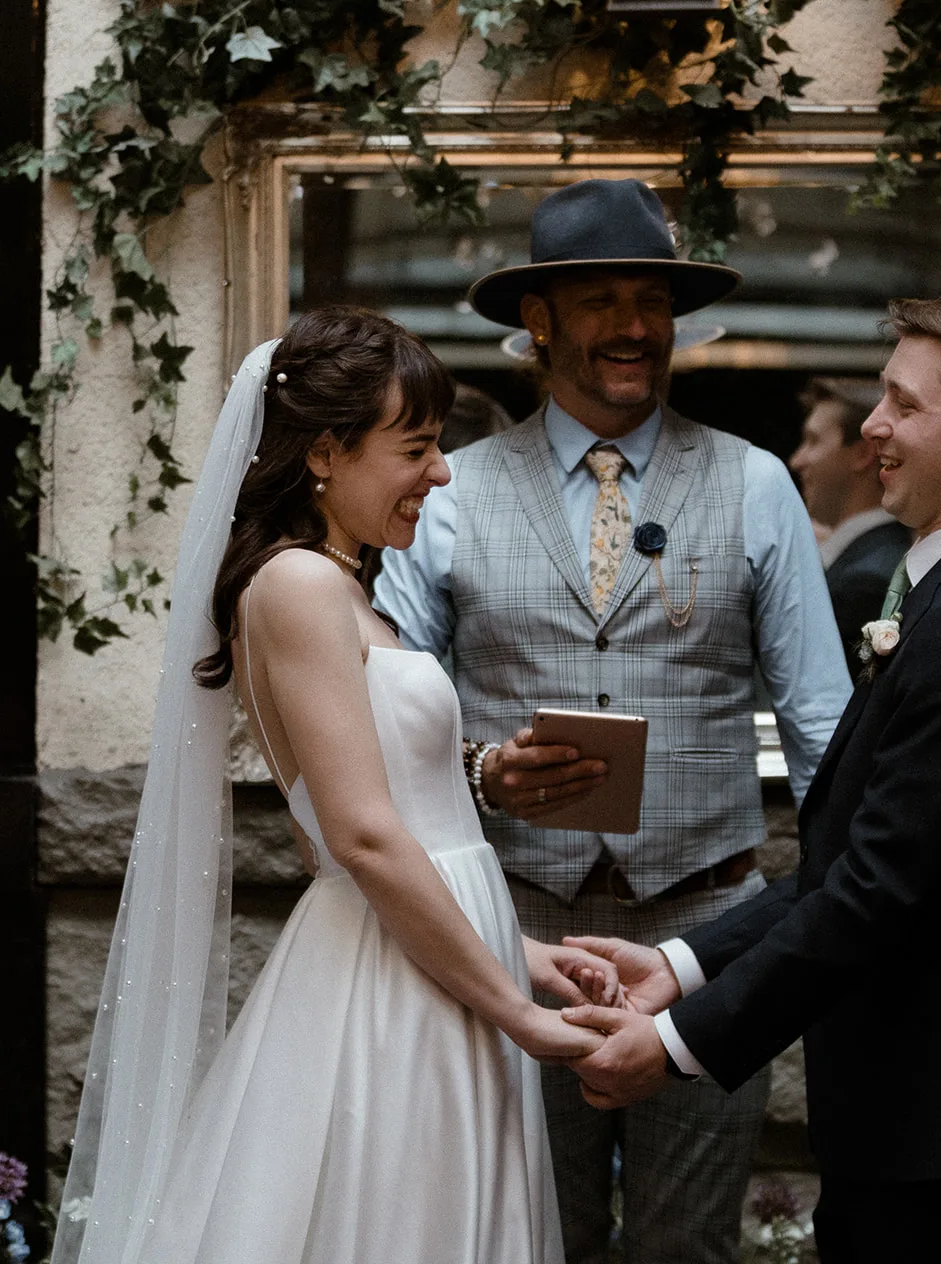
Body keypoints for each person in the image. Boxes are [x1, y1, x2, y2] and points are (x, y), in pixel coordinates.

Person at [50, 306, 624, 1264]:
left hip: (434, 963)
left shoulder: (342, 586)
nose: (439, 474)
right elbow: (355, 838)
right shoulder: (300, 587)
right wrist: (517, 1011)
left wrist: (521, 953)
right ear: (324, 451)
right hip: (389, 994)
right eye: (417, 448)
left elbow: (405, 823)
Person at [375, 179, 853, 1264]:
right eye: (602, 301)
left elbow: (826, 728)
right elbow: (387, 718)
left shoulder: (757, 484)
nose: (635, 327)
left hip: (707, 938)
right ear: (538, 321)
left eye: (653, 300)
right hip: (514, 934)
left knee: (690, 1249)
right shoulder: (449, 491)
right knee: (523, 1237)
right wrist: (483, 768)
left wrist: (830, 927)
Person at [561, 297, 941, 1264]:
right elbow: (846, 862)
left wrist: (676, 1045)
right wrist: (677, 968)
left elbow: (877, 893)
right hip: (913, 1119)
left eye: (900, 404)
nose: (871, 428)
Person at [789, 376, 911, 671]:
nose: (797, 460)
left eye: (814, 440)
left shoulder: (864, 582)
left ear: (863, 453)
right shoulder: (875, 557)